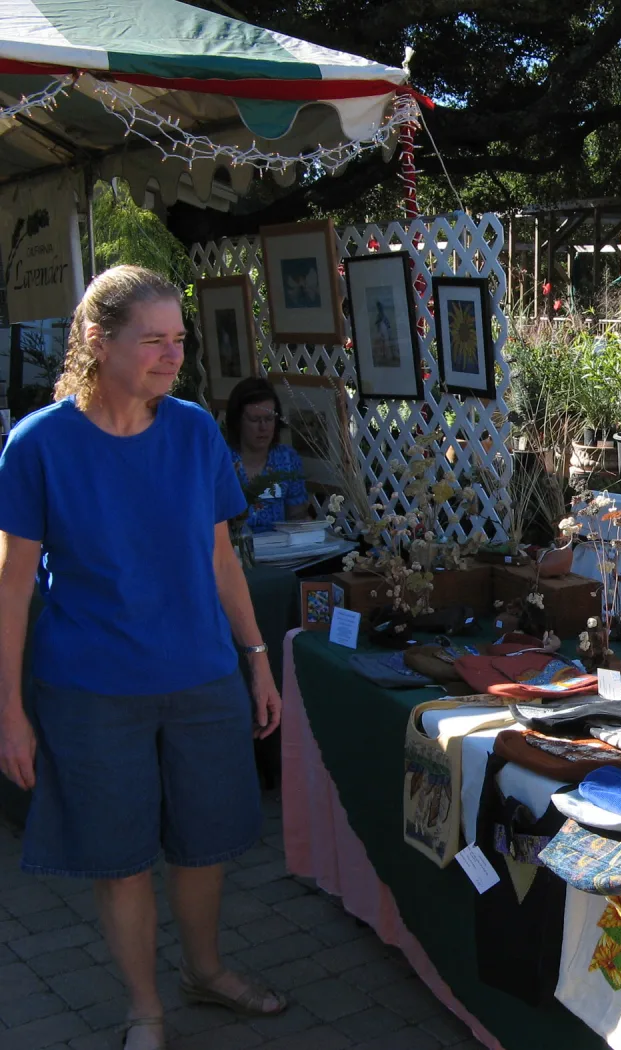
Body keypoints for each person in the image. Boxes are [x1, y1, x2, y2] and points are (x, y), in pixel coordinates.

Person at [0, 266, 288, 1050]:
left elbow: (221, 558)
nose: (173, 356)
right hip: (90, 689)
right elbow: (12, 586)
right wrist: (9, 712)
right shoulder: (37, 445)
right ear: (98, 342)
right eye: (154, 339)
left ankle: (205, 971)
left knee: (203, 843)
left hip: (199, 678)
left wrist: (257, 659)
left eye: (180, 340)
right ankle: (144, 1010)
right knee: (120, 858)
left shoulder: (196, 431)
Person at [224, 376, 310, 532]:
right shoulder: (222, 460)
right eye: (254, 419)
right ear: (238, 421)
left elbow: (297, 515)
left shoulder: (287, 459)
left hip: (280, 550)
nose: (263, 427)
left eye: (269, 418)